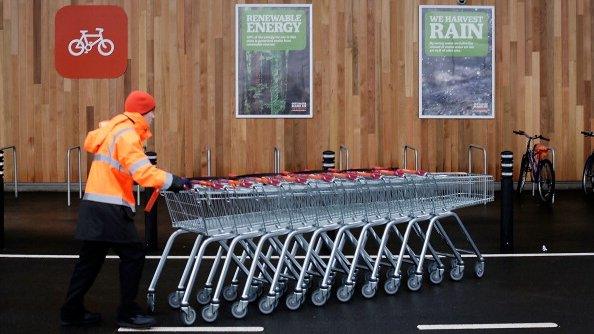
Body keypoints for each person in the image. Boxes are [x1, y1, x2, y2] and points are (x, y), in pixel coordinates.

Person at [60, 91, 191, 329]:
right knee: (133, 255)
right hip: (111, 207)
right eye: (152, 113)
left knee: (90, 260)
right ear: (144, 112)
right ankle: (128, 312)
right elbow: (143, 173)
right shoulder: (128, 135)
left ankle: (71, 311)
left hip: (95, 204)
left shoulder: (113, 130)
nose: (153, 118)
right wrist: (175, 181)